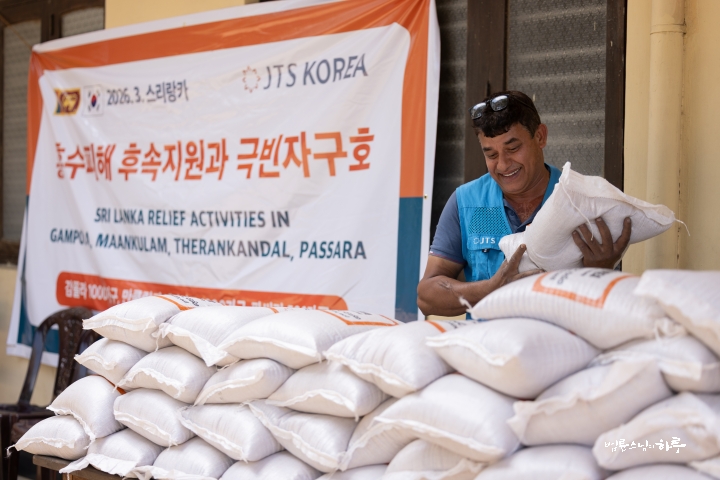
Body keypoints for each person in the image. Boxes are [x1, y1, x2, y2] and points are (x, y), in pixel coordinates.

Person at [417, 90, 631, 317]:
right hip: (488, 340)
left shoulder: (580, 201)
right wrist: (491, 288)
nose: (503, 165)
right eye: (491, 155)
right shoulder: (466, 202)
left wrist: (601, 271)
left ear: (540, 137)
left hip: (560, 339)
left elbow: (606, 309)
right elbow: (426, 297)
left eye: (513, 148)